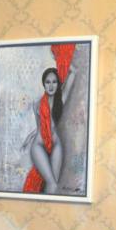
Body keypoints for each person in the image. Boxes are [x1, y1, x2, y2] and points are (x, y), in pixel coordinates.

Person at [22, 43, 78, 194]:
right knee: (51, 183)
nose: (51, 85)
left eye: (54, 82)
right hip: (39, 145)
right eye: (48, 82)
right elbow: (40, 127)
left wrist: (59, 57)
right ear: (44, 84)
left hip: (56, 144)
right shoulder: (36, 105)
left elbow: (74, 72)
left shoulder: (61, 99)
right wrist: (30, 136)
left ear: (58, 83)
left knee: (53, 187)